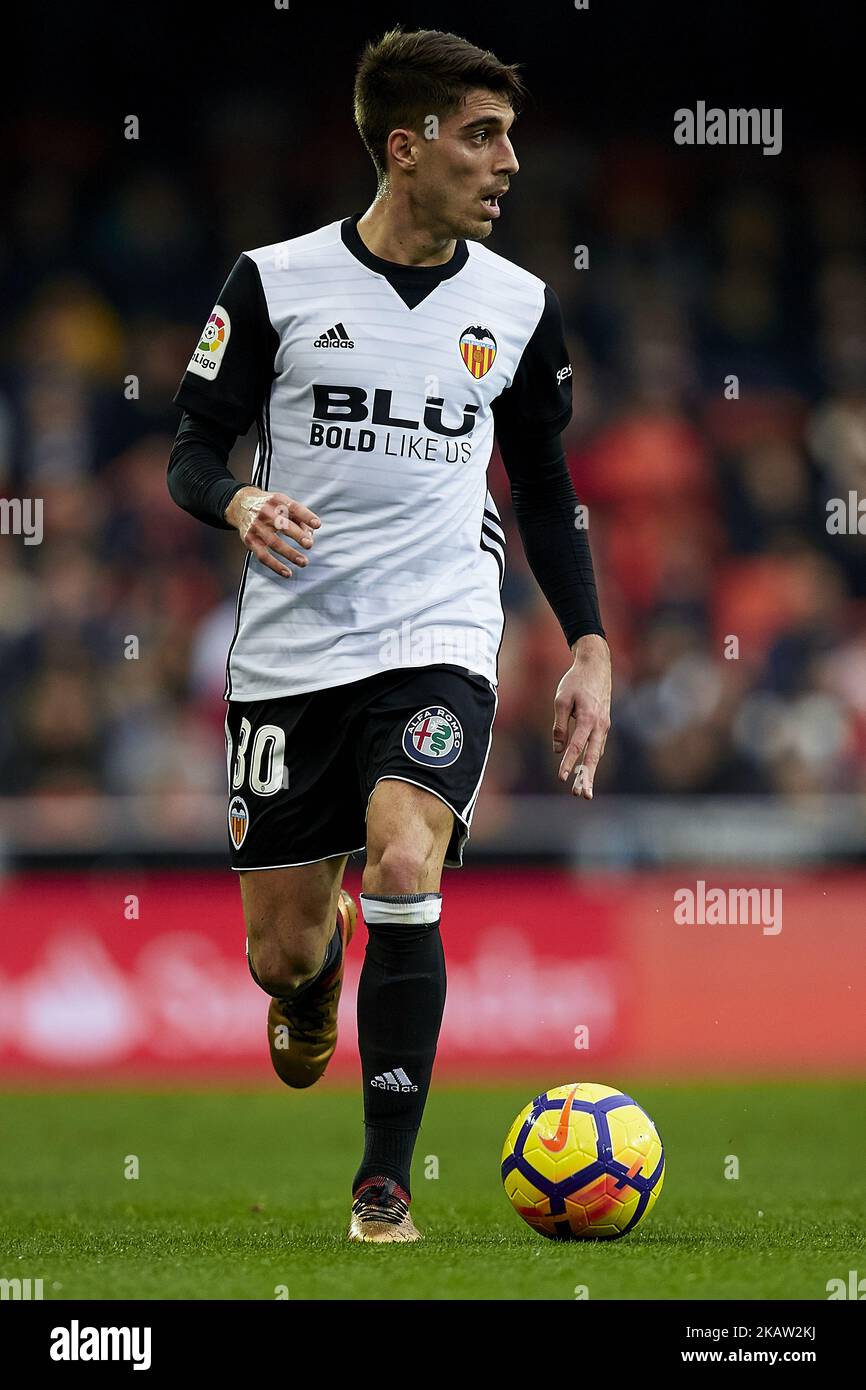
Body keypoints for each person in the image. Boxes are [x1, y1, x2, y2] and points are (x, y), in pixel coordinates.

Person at [167, 26, 610, 1243]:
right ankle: (314, 976)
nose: (507, 161)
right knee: (281, 951)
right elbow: (191, 450)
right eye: (481, 136)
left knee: (404, 858)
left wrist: (587, 643)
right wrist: (239, 498)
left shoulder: (518, 306)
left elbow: (544, 482)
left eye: (508, 135)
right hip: (291, 652)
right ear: (404, 150)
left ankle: (382, 1185)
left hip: (439, 631)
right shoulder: (274, 282)